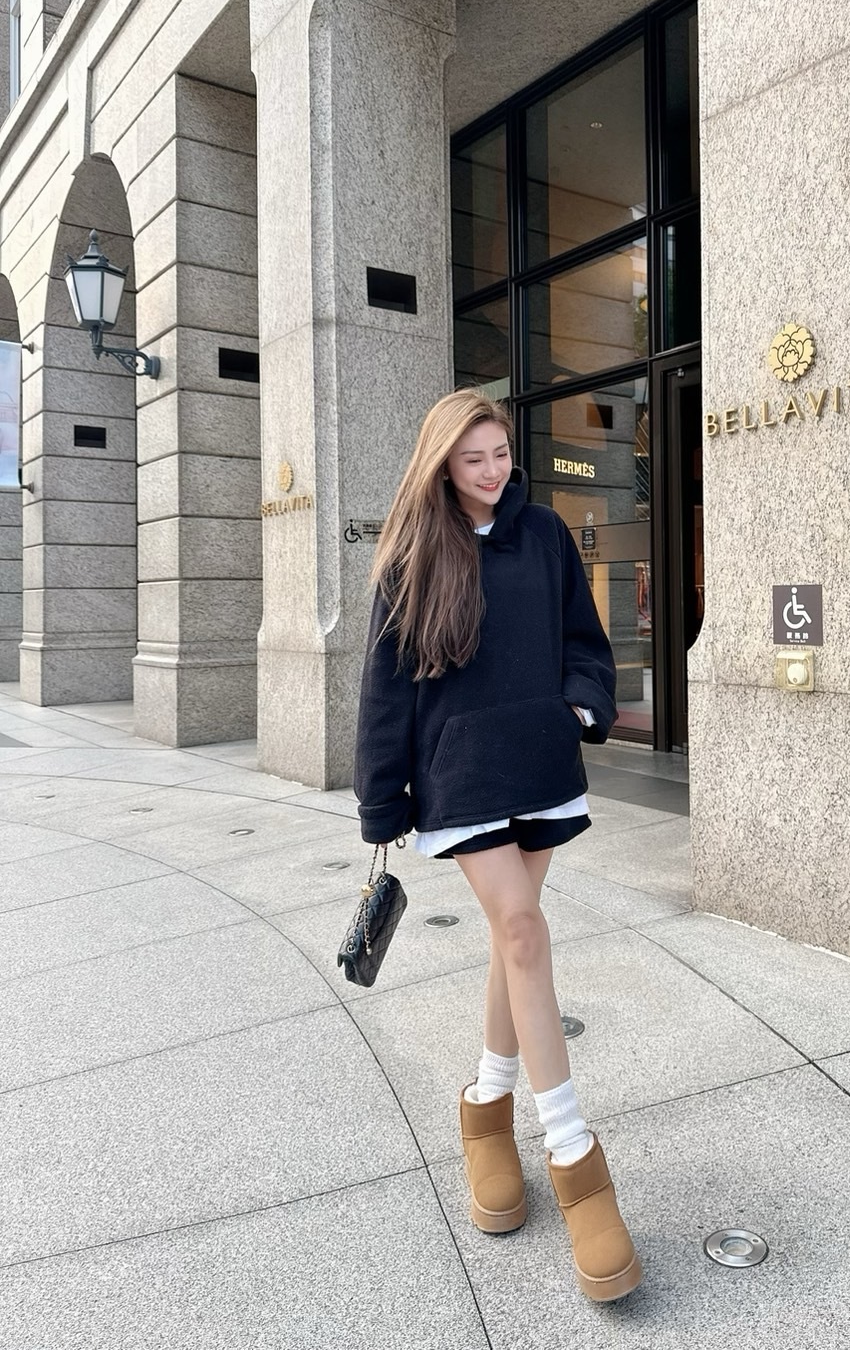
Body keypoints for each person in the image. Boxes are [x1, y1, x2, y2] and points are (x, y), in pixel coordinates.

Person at [354, 387, 642, 1302]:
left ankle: (485, 1108)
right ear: (443, 462)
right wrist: (381, 797)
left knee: (513, 940)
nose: (491, 470)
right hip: (461, 775)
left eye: (501, 453)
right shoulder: (412, 552)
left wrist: (580, 708)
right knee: (521, 930)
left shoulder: (545, 533)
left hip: (540, 760)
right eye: (473, 457)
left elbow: (583, 640)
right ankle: (574, 1154)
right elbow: (385, 686)